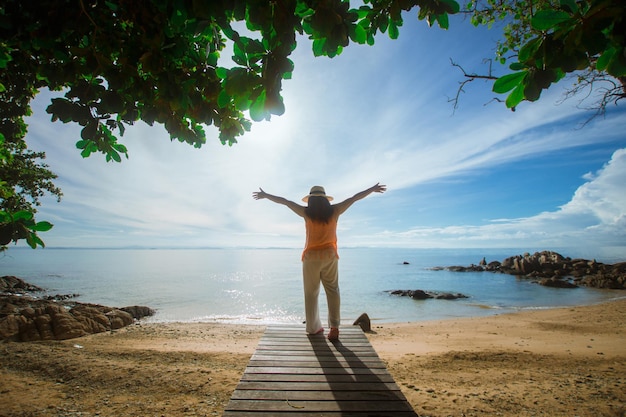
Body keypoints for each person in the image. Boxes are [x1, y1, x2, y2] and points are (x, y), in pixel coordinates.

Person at [252, 183, 386, 341]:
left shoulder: (306, 212)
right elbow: (354, 198)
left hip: (311, 257)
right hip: (329, 256)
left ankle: (313, 328)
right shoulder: (335, 210)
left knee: (311, 293)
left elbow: (286, 201)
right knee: (333, 291)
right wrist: (372, 189)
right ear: (325, 200)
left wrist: (266, 195)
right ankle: (334, 327)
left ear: (310, 200)